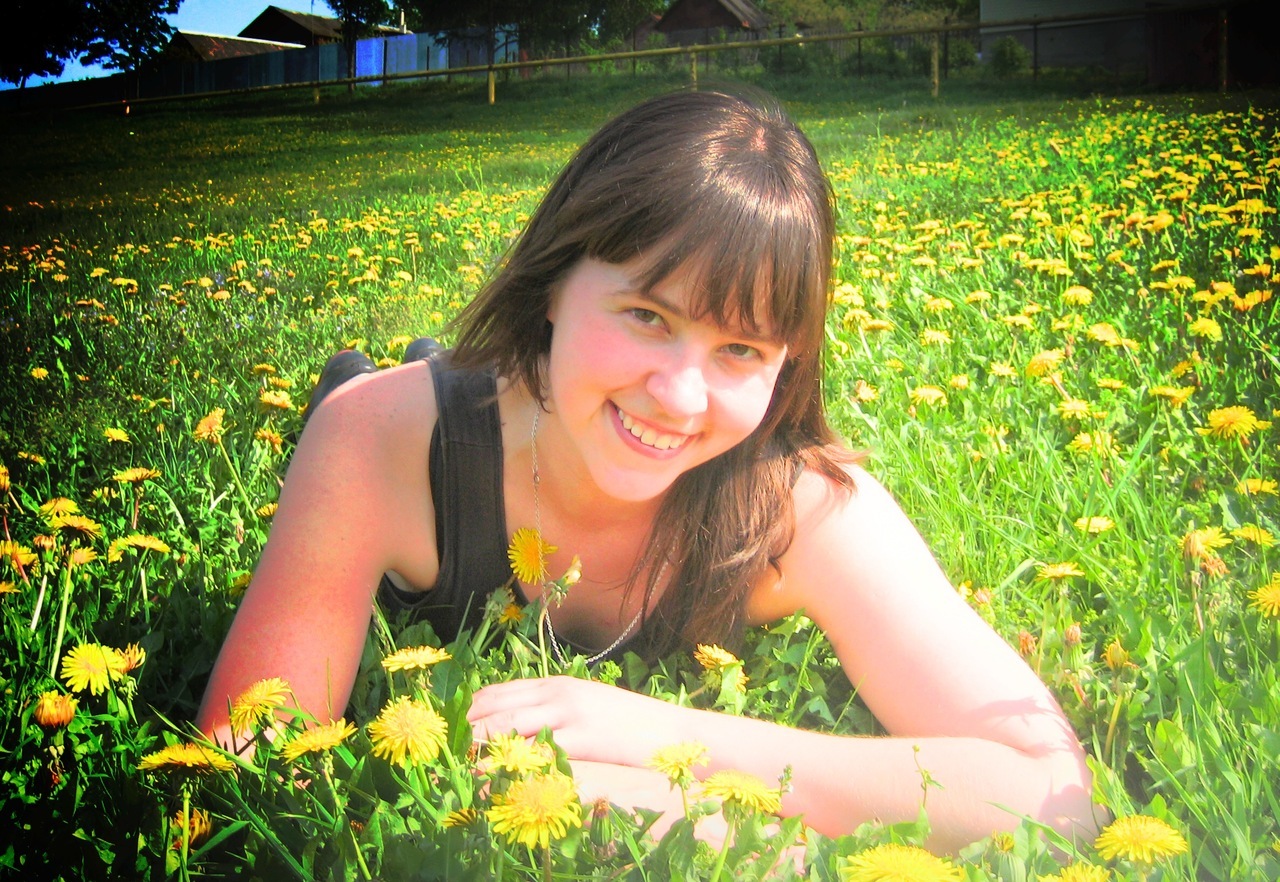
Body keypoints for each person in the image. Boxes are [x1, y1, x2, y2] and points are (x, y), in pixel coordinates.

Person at [196, 88, 1098, 852]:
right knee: (376, 388)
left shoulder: (800, 508)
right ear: (555, 281)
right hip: (428, 410)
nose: (679, 396)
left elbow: (1054, 793)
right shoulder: (379, 442)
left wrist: (680, 754)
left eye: (741, 349)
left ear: (787, 364)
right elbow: (238, 766)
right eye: (647, 316)